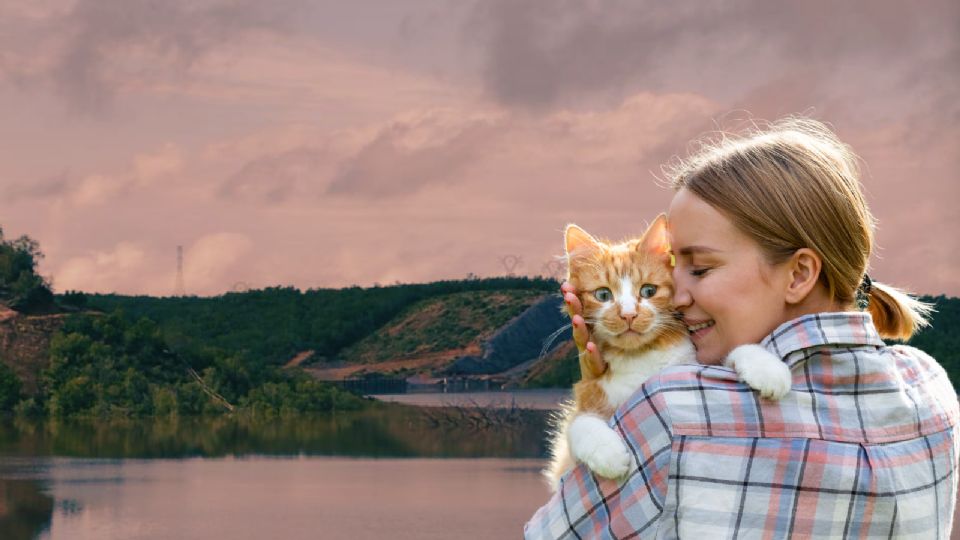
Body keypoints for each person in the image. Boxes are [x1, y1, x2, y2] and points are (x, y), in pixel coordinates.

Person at [525, 117, 959, 538]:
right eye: (676, 269)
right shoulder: (931, 389)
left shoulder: (673, 409)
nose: (678, 295)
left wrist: (605, 406)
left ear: (798, 275)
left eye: (700, 268)